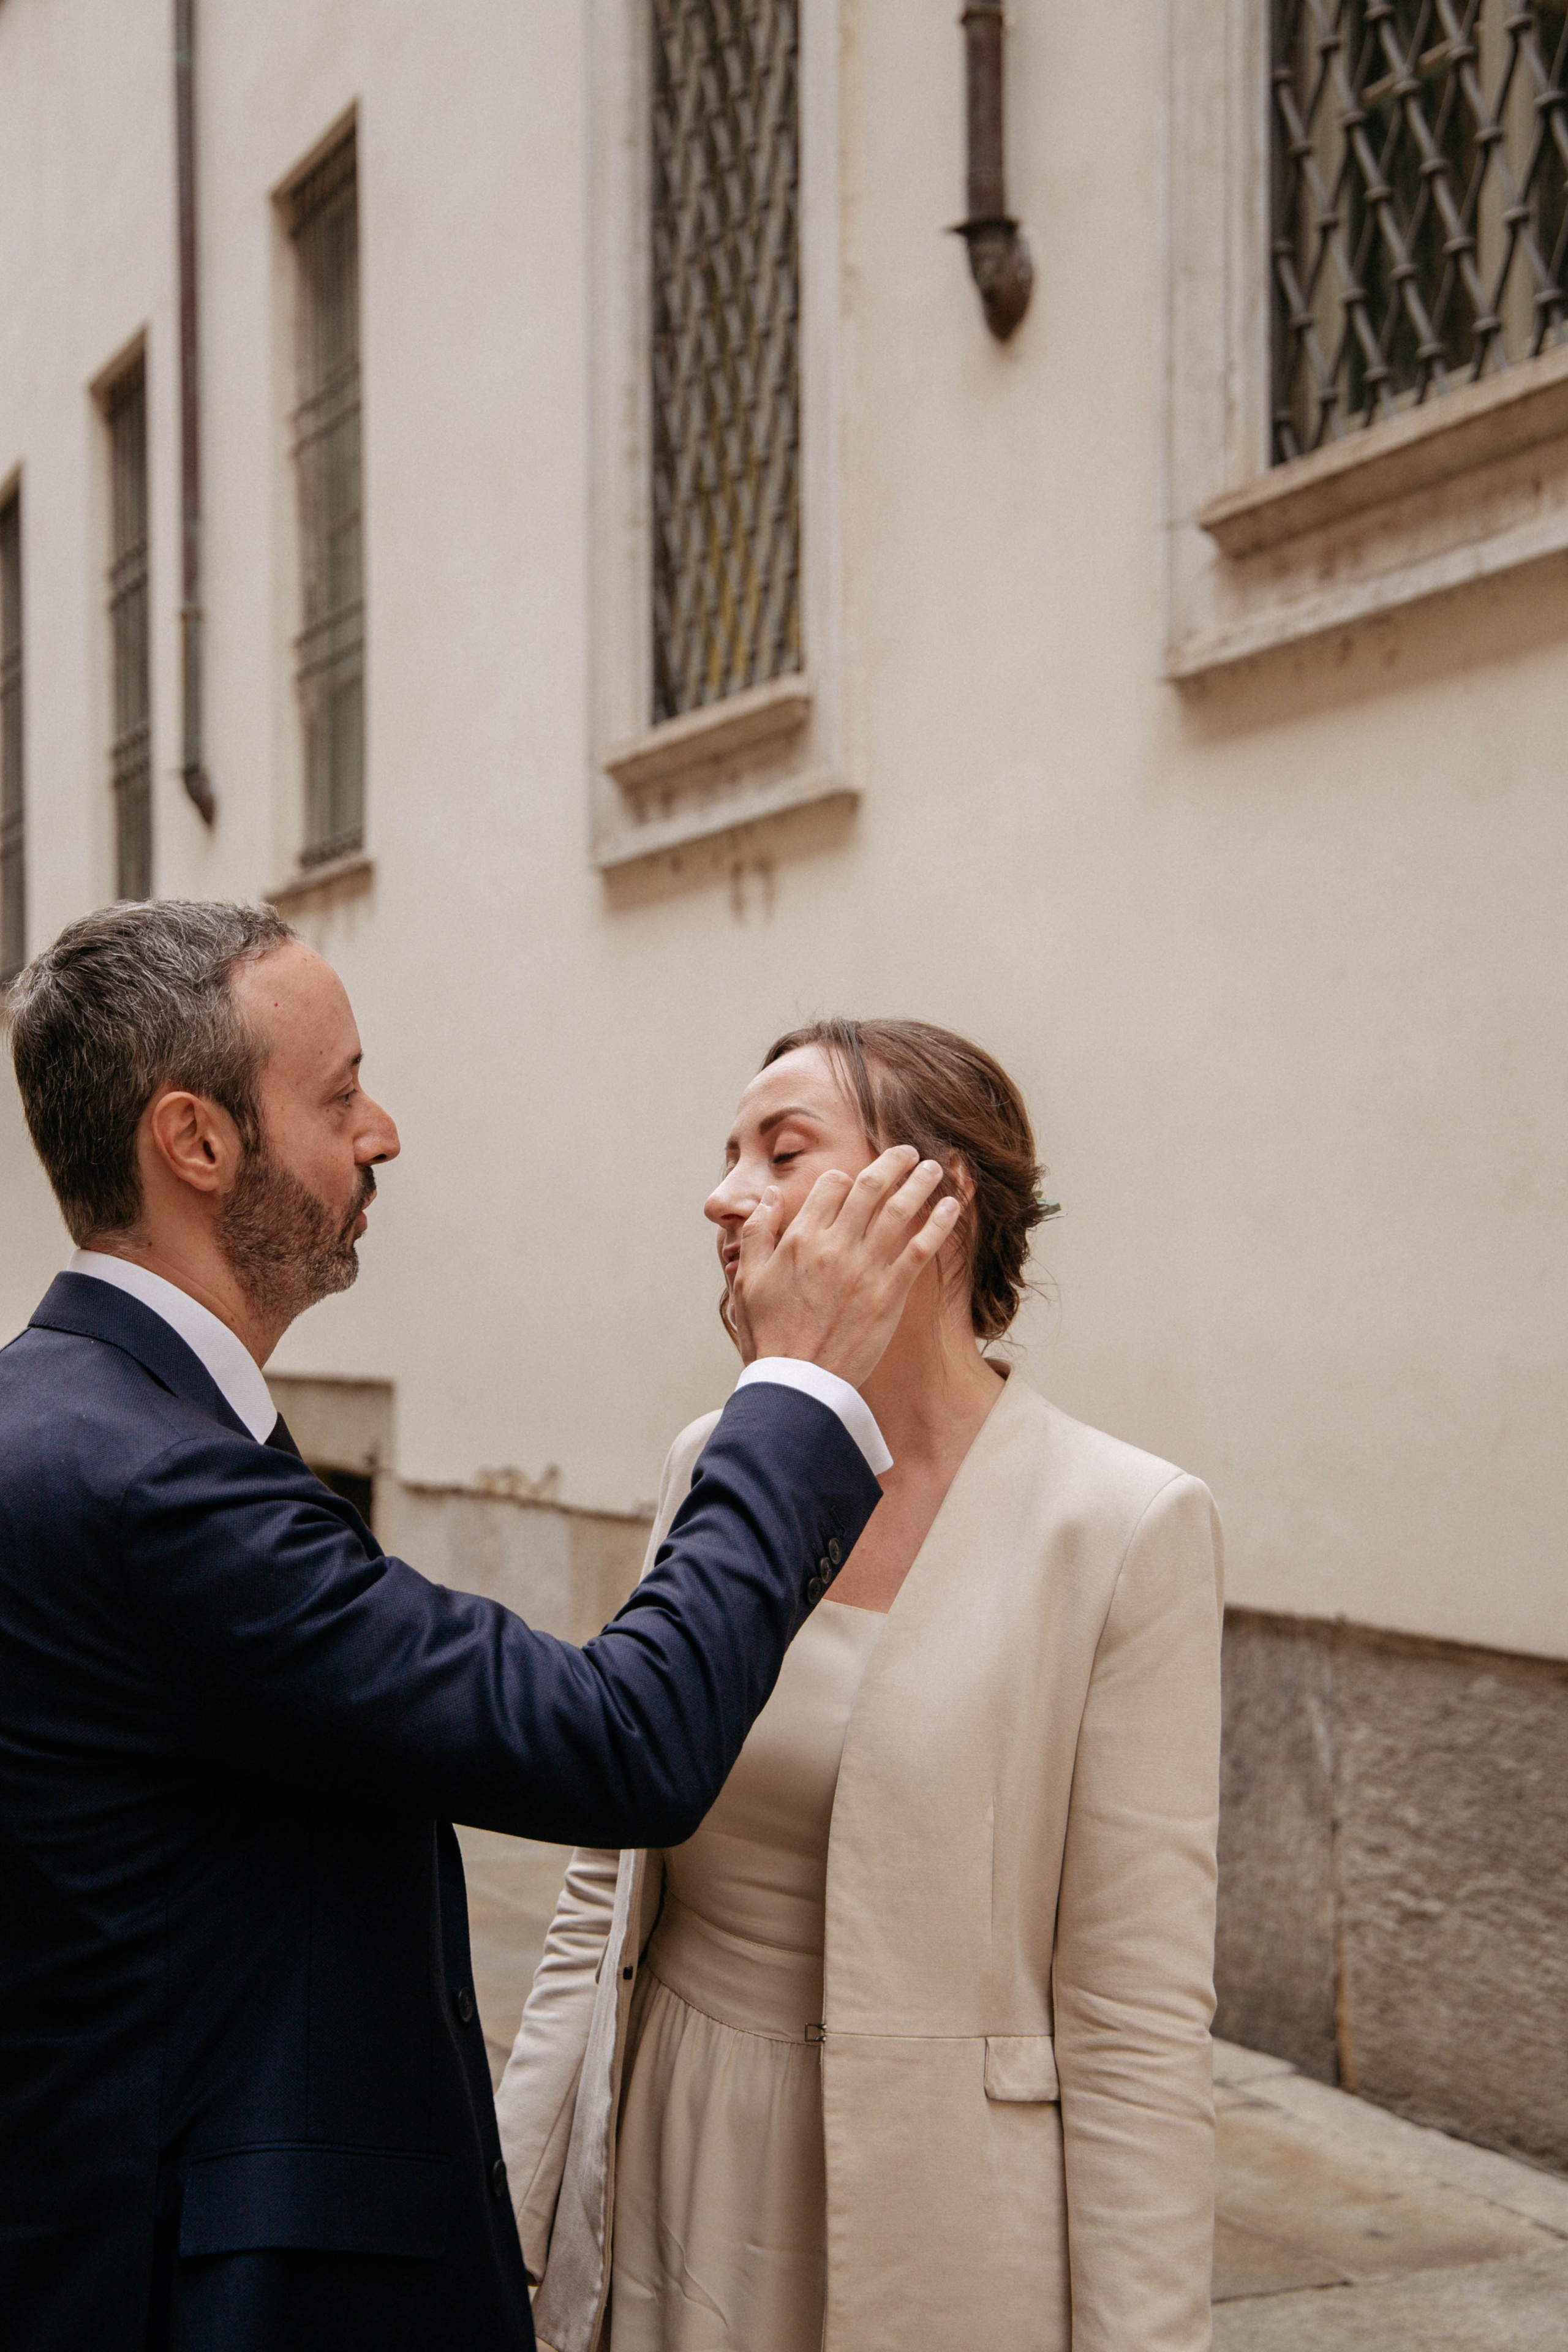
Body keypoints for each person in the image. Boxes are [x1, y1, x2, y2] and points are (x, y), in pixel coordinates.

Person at [0, 905, 961, 2352]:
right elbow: (615, 1741)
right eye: (336, 1097)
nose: (380, 1133)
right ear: (194, 1142)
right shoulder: (151, 1481)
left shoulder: (75, 1418)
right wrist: (800, 1390)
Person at [497, 1018, 1225, 2352]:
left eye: (781, 1153)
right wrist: (516, 2201)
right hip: (672, 2145)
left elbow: (1136, 2021)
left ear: (929, 1208)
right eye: (727, 1157)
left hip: (932, 2218)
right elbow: (603, 1890)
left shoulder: (1119, 1526)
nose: (723, 1197)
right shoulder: (715, 1460)